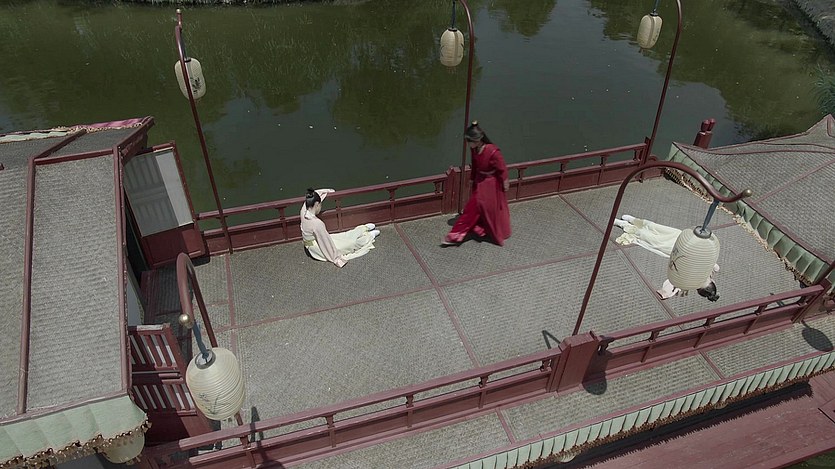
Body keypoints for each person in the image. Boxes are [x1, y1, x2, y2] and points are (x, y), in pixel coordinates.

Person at [613, 214, 720, 301]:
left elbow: (715, 266)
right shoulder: (690, 282)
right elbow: (674, 284)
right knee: (652, 239)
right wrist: (666, 293)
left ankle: (633, 220)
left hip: (685, 239)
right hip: (679, 251)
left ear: (712, 282)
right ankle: (623, 224)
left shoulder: (710, 270)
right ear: (698, 290)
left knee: (658, 229)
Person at [443, 121, 512, 246]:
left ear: (478, 139)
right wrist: (472, 178)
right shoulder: (474, 149)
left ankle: (455, 235)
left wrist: (505, 181)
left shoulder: (493, 151)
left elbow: (502, 168)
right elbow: (475, 165)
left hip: (490, 183)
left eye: (470, 141)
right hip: (479, 181)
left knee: (473, 207)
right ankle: (479, 228)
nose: (468, 143)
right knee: (478, 207)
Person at [300, 188, 380, 268]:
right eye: (320, 205)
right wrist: (335, 258)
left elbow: (313, 195)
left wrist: (326, 191)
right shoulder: (317, 223)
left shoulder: (303, 212)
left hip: (312, 242)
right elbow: (325, 243)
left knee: (343, 236)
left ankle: (363, 229)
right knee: (349, 245)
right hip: (317, 247)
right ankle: (368, 237)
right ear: (317, 204)